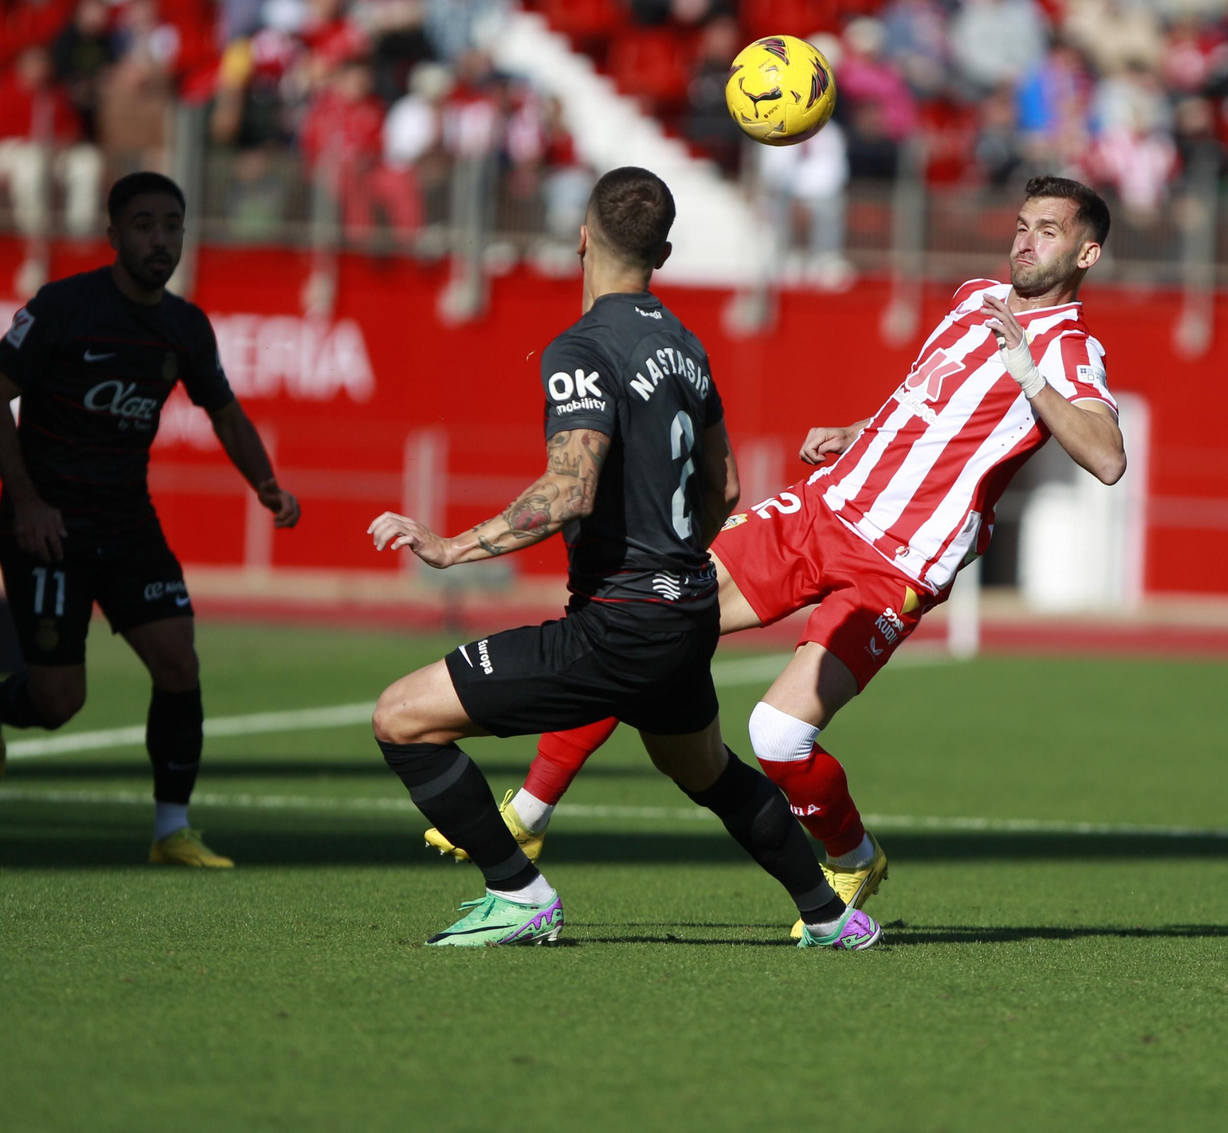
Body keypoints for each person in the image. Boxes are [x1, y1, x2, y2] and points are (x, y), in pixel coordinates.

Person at [429, 174, 1128, 936]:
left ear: (1087, 253)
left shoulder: (1068, 349)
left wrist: (1031, 376)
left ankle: (853, 856)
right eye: (1023, 224)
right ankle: (529, 812)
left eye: (1049, 231)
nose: (1027, 240)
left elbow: (1107, 457)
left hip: (896, 562)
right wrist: (859, 432)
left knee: (778, 737)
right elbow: (928, 402)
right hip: (822, 507)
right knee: (655, 615)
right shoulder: (973, 297)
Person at [367, 166, 880, 949]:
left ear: (581, 238)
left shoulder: (583, 347)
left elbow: (569, 490)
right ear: (663, 253)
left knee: (401, 719)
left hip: (622, 622)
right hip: (686, 607)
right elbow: (727, 487)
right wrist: (675, 564)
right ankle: (828, 914)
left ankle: (519, 891)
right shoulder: (686, 345)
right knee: (706, 771)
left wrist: (449, 548)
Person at [0, 172, 302, 867]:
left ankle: (170, 831)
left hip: (126, 522)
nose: (160, 240)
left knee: (178, 660)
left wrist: (266, 484)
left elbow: (225, 414)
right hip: (48, 524)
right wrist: (26, 500)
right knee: (59, 702)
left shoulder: (184, 326)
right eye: (144, 225)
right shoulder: (63, 307)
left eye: (172, 225)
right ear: (114, 234)